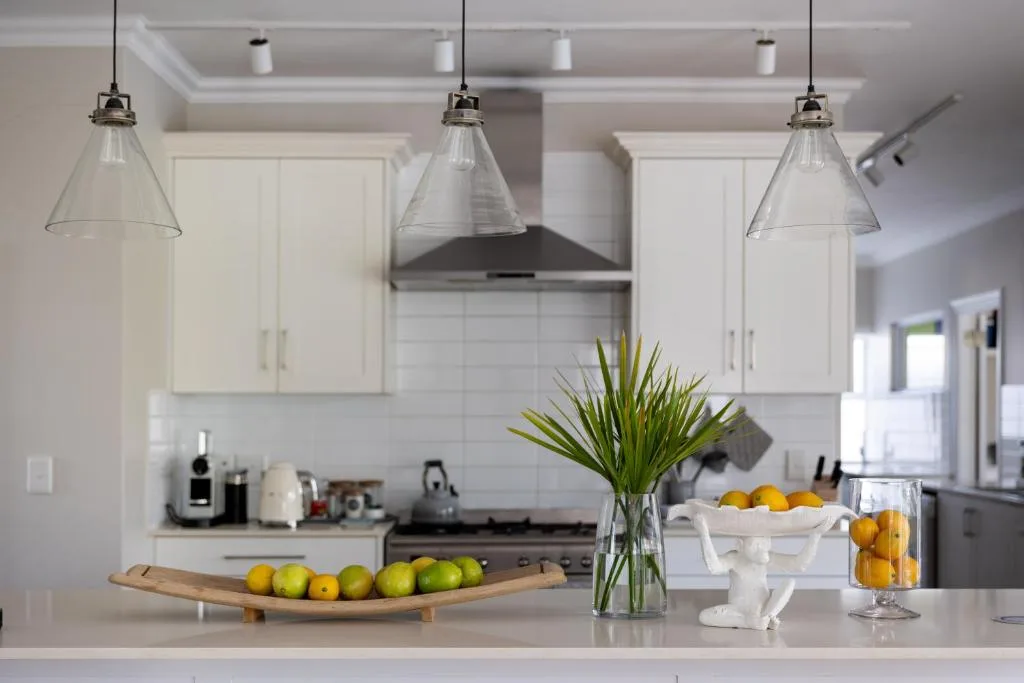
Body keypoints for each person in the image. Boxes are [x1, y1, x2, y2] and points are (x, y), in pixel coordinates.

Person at [692, 514, 832, 630]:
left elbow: (799, 564)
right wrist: (704, 534)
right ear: (739, 545)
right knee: (704, 616)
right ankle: (750, 622)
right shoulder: (734, 558)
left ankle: (765, 617)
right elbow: (714, 566)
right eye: (756, 544)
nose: (762, 548)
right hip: (737, 610)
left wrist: (816, 535)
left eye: (765, 542)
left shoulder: (767, 557)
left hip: (764, 607)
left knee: (789, 583)